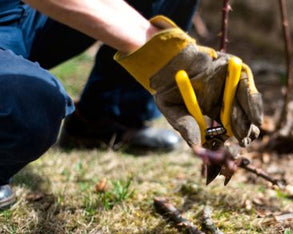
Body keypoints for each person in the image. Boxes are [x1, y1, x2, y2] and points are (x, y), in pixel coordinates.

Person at [0, 0, 262, 210]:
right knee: (29, 108)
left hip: (16, 12)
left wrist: (169, 48)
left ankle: (106, 118)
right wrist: (163, 51)